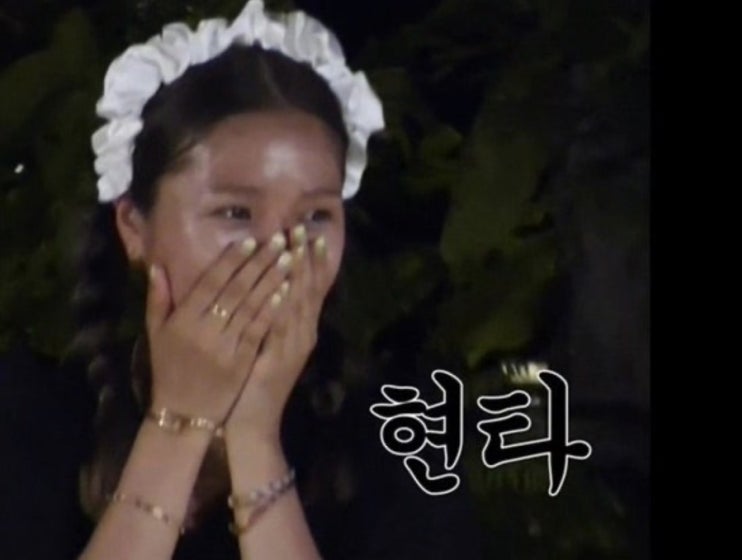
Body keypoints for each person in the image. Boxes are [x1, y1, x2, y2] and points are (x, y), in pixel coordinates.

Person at [0, 1, 485, 558]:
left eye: (315, 217)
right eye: (235, 213)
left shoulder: (402, 436)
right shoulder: (28, 416)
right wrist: (179, 423)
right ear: (134, 226)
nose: (280, 253)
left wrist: (254, 437)